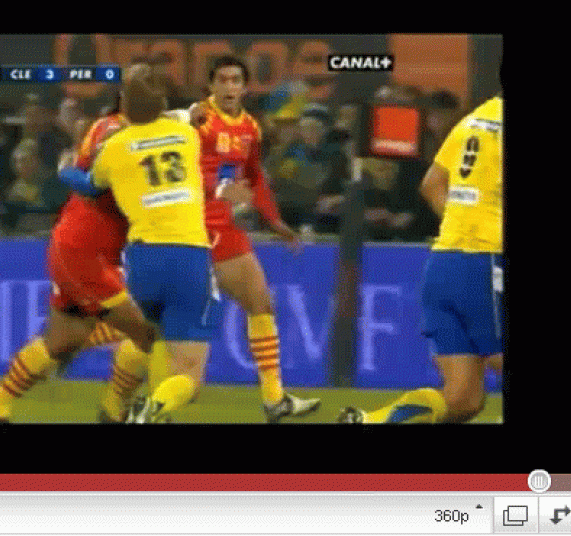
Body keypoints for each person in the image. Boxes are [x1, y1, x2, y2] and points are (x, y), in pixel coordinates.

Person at [0, 94, 154, 424]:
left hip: (78, 245)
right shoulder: (121, 134)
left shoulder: (107, 127)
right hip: (85, 251)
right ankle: (114, 412)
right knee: (147, 331)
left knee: (60, 341)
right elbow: (99, 182)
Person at [61, 63, 216, 424]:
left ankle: (114, 405)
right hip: (189, 255)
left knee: (145, 335)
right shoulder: (186, 136)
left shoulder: (115, 147)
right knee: (189, 377)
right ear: (161, 103)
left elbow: (90, 186)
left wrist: (65, 170)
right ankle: (151, 410)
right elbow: (185, 119)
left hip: (144, 258)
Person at [337, 92, 503, 424]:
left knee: (463, 400)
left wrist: (463, 224)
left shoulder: (472, 122)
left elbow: (432, 185)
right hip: (486, 262)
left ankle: (371, 421)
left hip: (444, 264)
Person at [188, 56, 321, 422]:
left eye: (236, 80)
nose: (230, 86)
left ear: (245, 87)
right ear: (211, 86)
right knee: (153, 322)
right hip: (192, 225)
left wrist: (275, 220)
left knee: (261, 303)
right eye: (223, 80)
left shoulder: (250, 128)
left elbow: (255, 177)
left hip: (223, 228)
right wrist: (223, 189)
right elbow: (184, 171)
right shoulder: (198, 120)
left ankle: (274, 399)